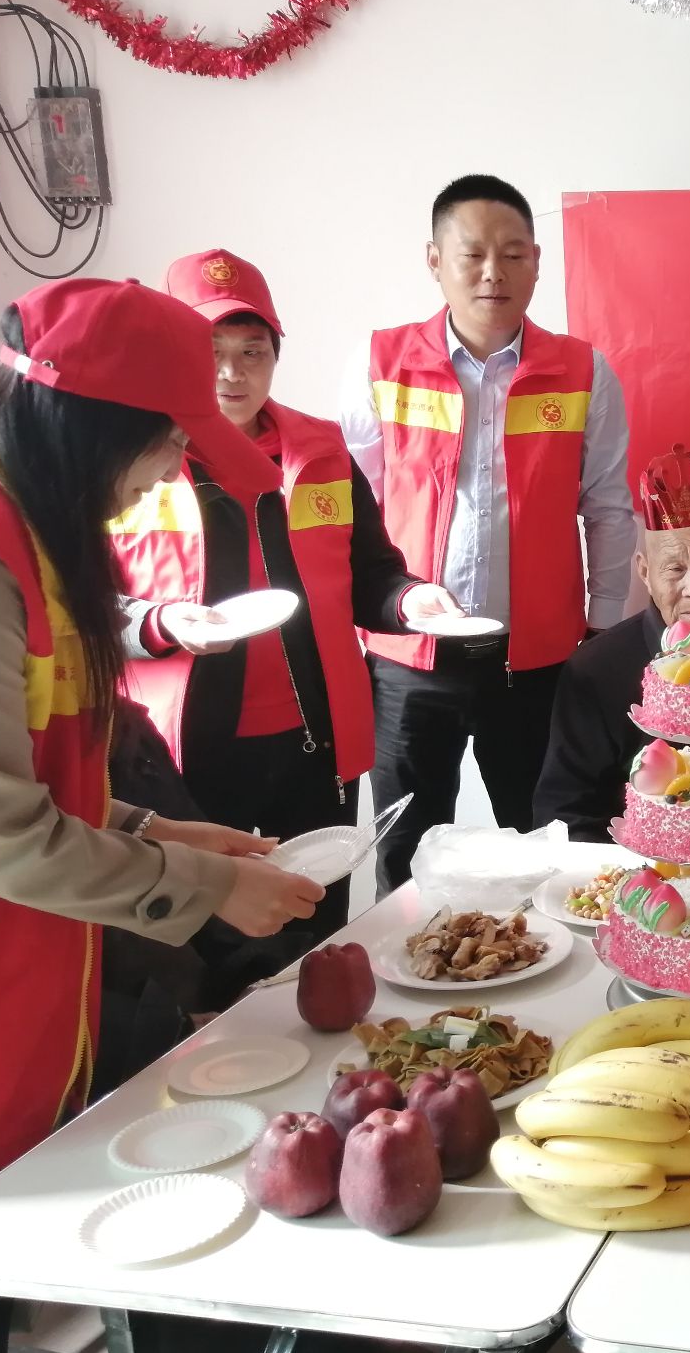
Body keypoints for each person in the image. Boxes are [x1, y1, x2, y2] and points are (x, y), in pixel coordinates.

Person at [0, 279, 323, 1353]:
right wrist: (203, 888)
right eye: (164, 444)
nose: (169, 472)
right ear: (93, 426)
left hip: (15, 1006)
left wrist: (157, 827)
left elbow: (43, 772)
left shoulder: (36, 536)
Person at [113, 249, 459, 952]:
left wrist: (411, 600)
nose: (231, 373)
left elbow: (372, 576)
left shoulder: (320, 451)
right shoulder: (133, 461)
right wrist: (159, 621)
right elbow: (85, 605)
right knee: (202, 945)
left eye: (253, 351)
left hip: (312, 748)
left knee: (310, 930)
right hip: (184, 752)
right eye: (211, 351)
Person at [341, 174, 639, 891]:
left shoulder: (581, 371)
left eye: (512, 254)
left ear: (536, 262)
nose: (492, 273)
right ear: (435, 260)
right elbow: (353, 510)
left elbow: (606, 506)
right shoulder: (381, 364)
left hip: (535, 661)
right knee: (405, 857)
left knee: (549, 846)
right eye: (472, 254)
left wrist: (601, 628)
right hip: (410, 660)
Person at [535, 443, 690, 840]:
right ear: (644, 572)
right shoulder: (596, 669)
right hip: (630, 867)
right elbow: (565, 812)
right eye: (675, 569)